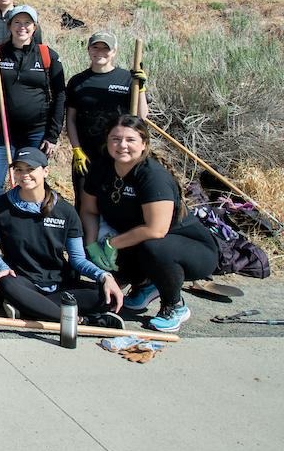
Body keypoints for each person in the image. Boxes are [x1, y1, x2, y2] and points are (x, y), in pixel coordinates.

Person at [79, 115, 218, 332]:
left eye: (130, 140)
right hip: (135, 242)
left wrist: (112, 244)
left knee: (153, 246)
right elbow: (88, 211)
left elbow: (156, 229)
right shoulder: (100, 169)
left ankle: (174, 305)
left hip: (189, 249)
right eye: (115, 139)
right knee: (100, 288)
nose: (122, 145)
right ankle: (146, 284)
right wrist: (91, 245)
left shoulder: (152, 175)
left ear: (144, 144)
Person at [0, 147, 125, 328]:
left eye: (30, 169)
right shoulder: (1, 205)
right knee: (6, 284)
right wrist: (1, 266)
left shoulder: (65, 210)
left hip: (60, 284)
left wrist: (104, 276)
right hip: (22, 281)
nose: (24, 174)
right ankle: (79, 320)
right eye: (19, 169)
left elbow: (78, 259)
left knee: (109, 295)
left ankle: (31, 308)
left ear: (45, 171)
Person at [0, 5, 66, 201]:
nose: (22, 27)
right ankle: (0, 221)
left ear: (35, 27)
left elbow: (60, 96)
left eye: (27, 23)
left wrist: (52, 135)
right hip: (2, 133)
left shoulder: (47, 55)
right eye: (17, 22)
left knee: (32, 182)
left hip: (36, 132)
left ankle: (30, 221)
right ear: (9, 26)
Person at [65, 31, 148, 204]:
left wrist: (140, 88)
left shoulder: (127, 79)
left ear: (114, 51)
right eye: (96, 47)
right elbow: (71, 119)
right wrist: (76, 149)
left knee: (114, 201)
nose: (100, 52)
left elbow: (142, 116)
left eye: (105, 48)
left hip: (118, 152)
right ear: (88, 49)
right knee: (84, 201)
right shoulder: (77, 81)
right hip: (86, 154)